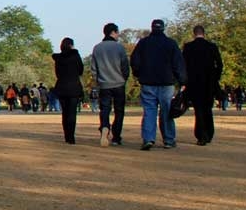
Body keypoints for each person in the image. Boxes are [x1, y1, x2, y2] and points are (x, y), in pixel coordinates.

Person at [130, 19, 186, 150]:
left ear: (152, 28)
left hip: (148, 82)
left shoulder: (143, 43)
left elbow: (135, 61)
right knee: (166, 111)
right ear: (163, 28)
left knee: (149, 111)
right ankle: (168, 139)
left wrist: (139, 74)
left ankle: (148, 138)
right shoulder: (170, 43)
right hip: (166, 82)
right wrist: (182, 80)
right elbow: (178, 63)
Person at [181, 25, 223, 146]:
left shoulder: (188, 47)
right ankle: (209, 133)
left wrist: (184, 82)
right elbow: (219, 65)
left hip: (194, 83)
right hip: (209, 82)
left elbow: (184, 66)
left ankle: (201, 135)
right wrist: (215, 78)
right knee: (207, 108)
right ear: (204, 33)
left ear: (194, 34)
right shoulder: (212, 47)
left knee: (198, 109)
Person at [90, 23, 130, 147]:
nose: (118, 35)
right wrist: (124, 78)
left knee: (105, 109)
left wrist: (98, 81)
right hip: (118, 83)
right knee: (119, 111)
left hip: (104, 84)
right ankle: (116, 137)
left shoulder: (97, 48)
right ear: (113, 32)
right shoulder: (119, 48)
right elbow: (125, 66)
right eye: (117, 32)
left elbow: (93, 69)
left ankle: (105, 127)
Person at [52, 38, 84, 144]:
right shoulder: (75, 56)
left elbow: (57, 73)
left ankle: (67, 135)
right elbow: (81, 70)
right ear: (71, 45)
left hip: (62, 86)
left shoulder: (58, 58)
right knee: (72, 113)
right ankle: (71, 137)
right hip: (74, 86)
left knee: (65, 113)